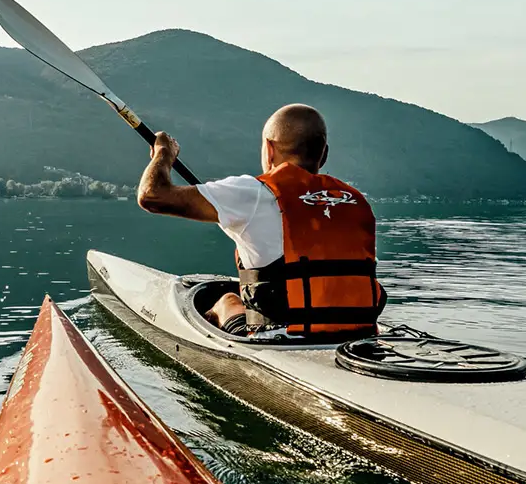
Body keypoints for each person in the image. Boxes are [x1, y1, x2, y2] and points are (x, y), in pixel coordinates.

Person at [137, 103, 386, 336]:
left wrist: (163, 154)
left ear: (269, 148)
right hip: (358, 337)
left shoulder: (254, 193)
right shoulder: (355, 201)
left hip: (285, 341)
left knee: (227, 301)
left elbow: (152, 196)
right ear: (324, 155)